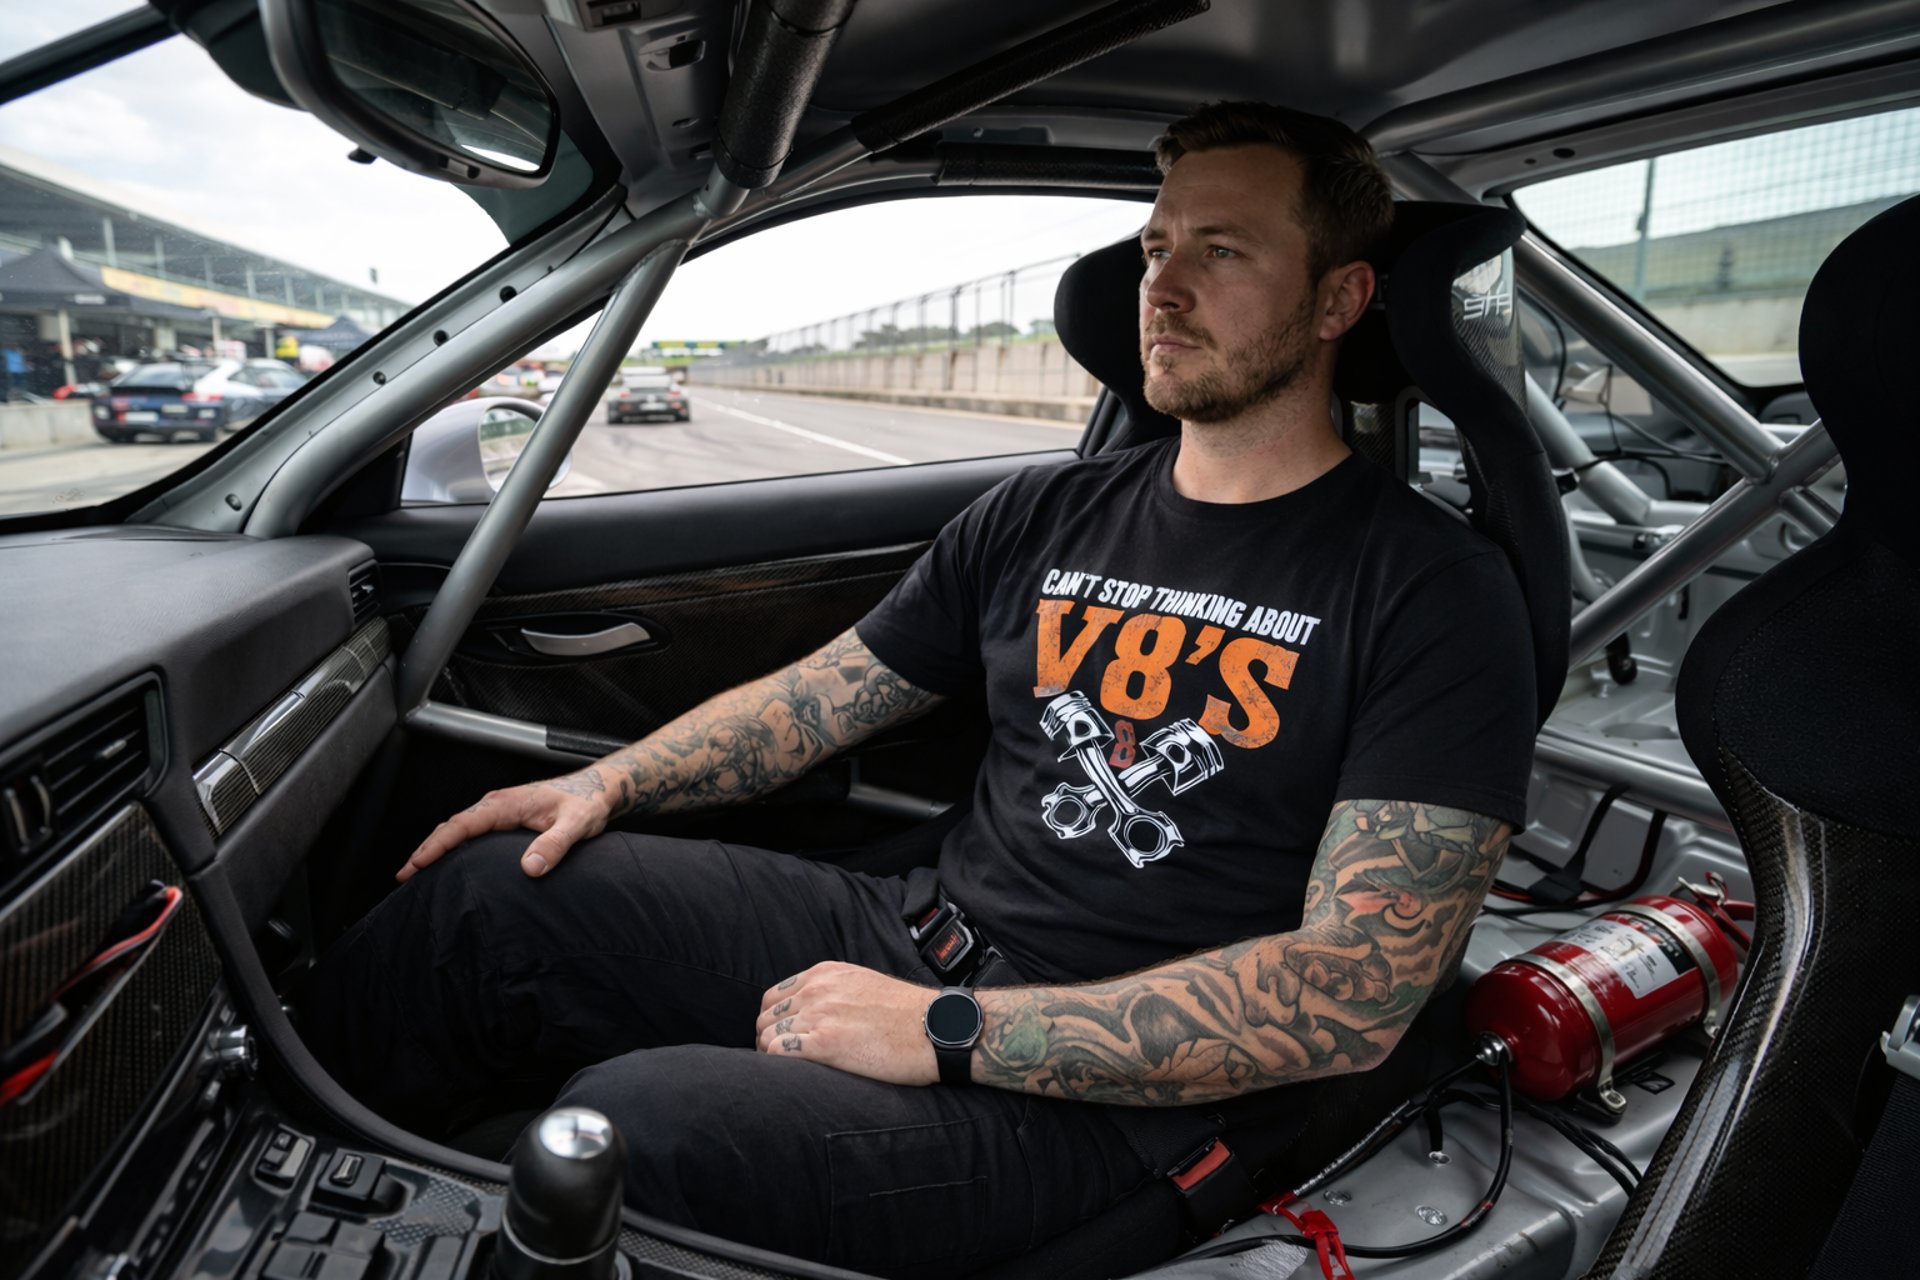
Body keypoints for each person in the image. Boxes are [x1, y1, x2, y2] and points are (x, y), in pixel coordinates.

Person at [304, 101, 1536, 1277]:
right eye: (1158, 245)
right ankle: (289, 1178)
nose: (1161, 285)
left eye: (1223, 250)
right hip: (918, 932)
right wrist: (604, 782)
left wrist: (947, 1033)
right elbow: (819, 699)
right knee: (493, 897)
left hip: (1116, 1099)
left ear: (1340, 298)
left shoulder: (1430, 587)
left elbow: (1354, 988)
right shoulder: (1047, 510)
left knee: (636, 1128)